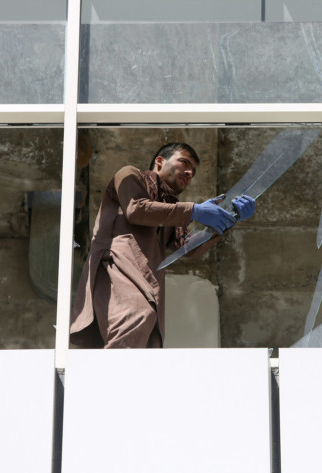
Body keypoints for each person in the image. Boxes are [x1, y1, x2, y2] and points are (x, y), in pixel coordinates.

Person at [70, 142, 256, 349]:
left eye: (193, 171)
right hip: (116, 269)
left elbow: (188, 248)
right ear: (159, 162)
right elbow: (136, 209)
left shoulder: (170, 206)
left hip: (147, 281)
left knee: (149, 337)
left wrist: (229, 218)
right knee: (136, 316)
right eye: (184, 163)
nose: (189, 172)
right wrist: (194, 210)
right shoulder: (130, 174)